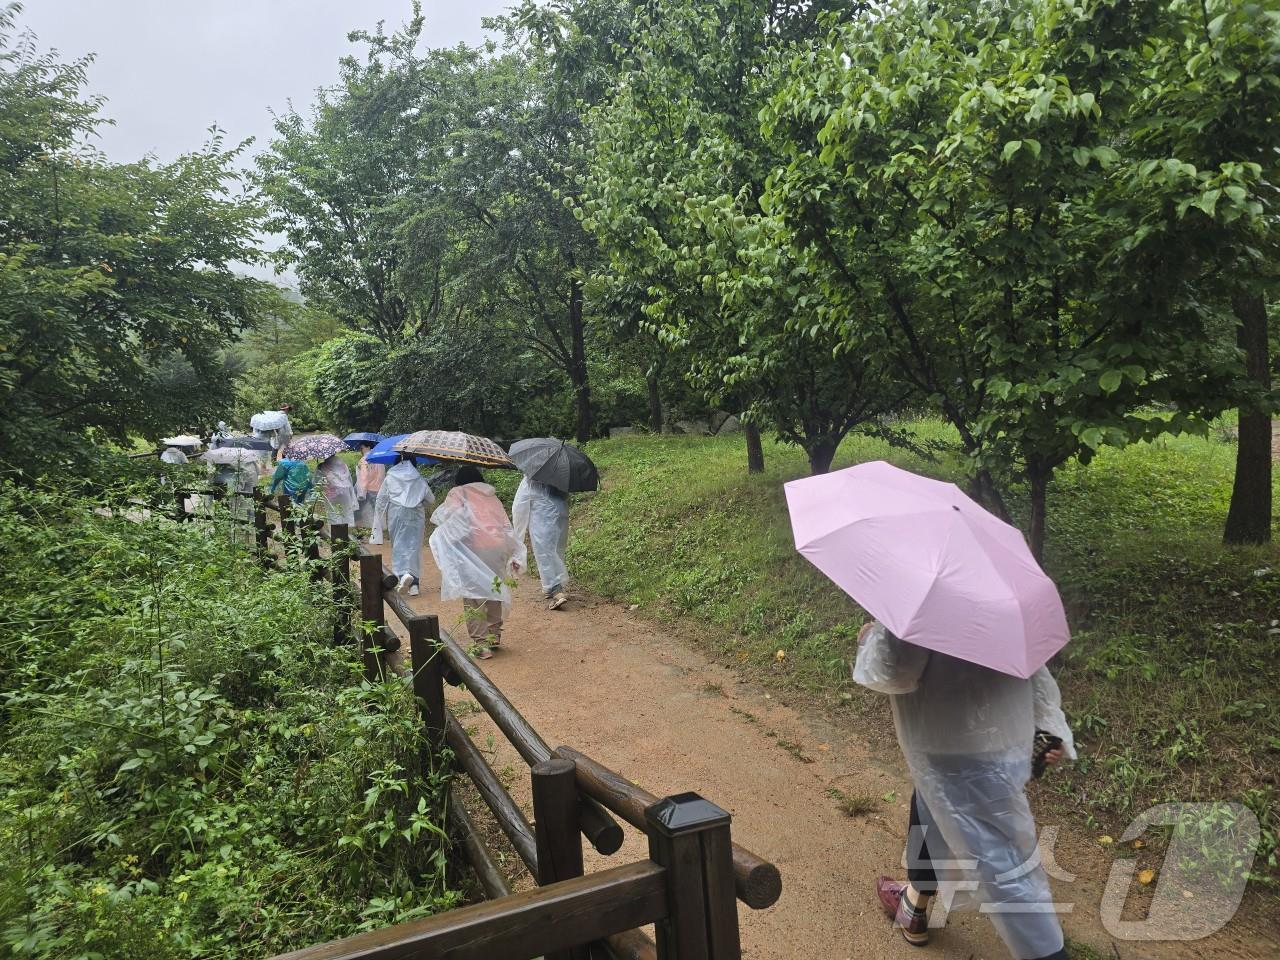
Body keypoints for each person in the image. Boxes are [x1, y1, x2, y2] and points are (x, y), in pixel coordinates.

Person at [854, 620, 1075, 960]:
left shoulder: (927, 594)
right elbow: (1032, 666)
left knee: (1005, 869)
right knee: (933, 804)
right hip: (1001, 742)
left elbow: (895, 671)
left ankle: (1048, 954)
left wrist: (869, 639)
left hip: (947, 743)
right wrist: (1049, 725)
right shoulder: (1002, 593)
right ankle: (915, 899)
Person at [429, 465, 525, 659]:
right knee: (494, 589)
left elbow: (452, 519)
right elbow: (506, 525)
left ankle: (481, 644)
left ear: (459, 480)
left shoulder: (458, 492)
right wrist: (514, 551)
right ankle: (494, 635)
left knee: (474, 595)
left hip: (474, 548)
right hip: (497, 547)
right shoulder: (491, 496)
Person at [374, 455, 433, 597]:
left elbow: (381, 500)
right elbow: (430, 499)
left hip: (396, 514)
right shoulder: (419, 479)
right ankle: (414, 585)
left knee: (399, 545)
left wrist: (378, 522)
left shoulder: (390, 478)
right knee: (414, 546)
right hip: (416, 515)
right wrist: (419, 504)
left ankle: (403, 575)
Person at [511, 476, 570, 609]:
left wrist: (518, 536)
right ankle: (556, 584)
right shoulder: (559, 478)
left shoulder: (530, 480)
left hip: (542, 522)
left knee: (545, 555)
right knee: (556, 552)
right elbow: (566, 498)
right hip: (560, 518)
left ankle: (556, 591)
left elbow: (519, 507)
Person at [354, 443, 386, 540]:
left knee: (358, 513)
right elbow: (382, 474)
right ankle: (377, 535)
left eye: (362, 447)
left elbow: (364, 477)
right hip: (378, 488)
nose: (361, 449)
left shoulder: (364, 460)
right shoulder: (379, 458)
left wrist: (361, 492)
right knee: (376, 512)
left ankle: (360, 535)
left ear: (367, 447)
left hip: (366, 489)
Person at [316, 453, 357, 528]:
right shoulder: (342, 464)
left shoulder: (322, 466)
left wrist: (319, 468)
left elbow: (317, 482)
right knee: (346, 512)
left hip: (331, 495)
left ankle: (337, 535)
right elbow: (348, 478)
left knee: (333, 514)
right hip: (345, 492)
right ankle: (348, 533)